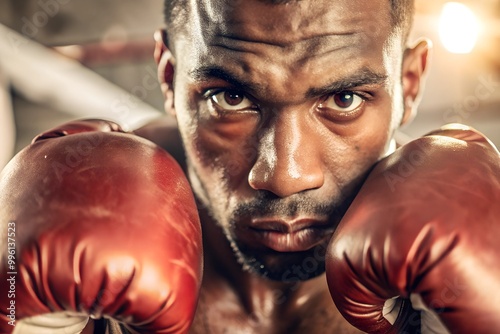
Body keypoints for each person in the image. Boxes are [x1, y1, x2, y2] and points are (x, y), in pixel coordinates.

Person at [1, 0, 499, 333]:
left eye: (344, 98)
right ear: (169, 76)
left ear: (410, 86)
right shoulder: (76, 224)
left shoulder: (463, 250)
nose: (284, 175)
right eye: (231, 96)